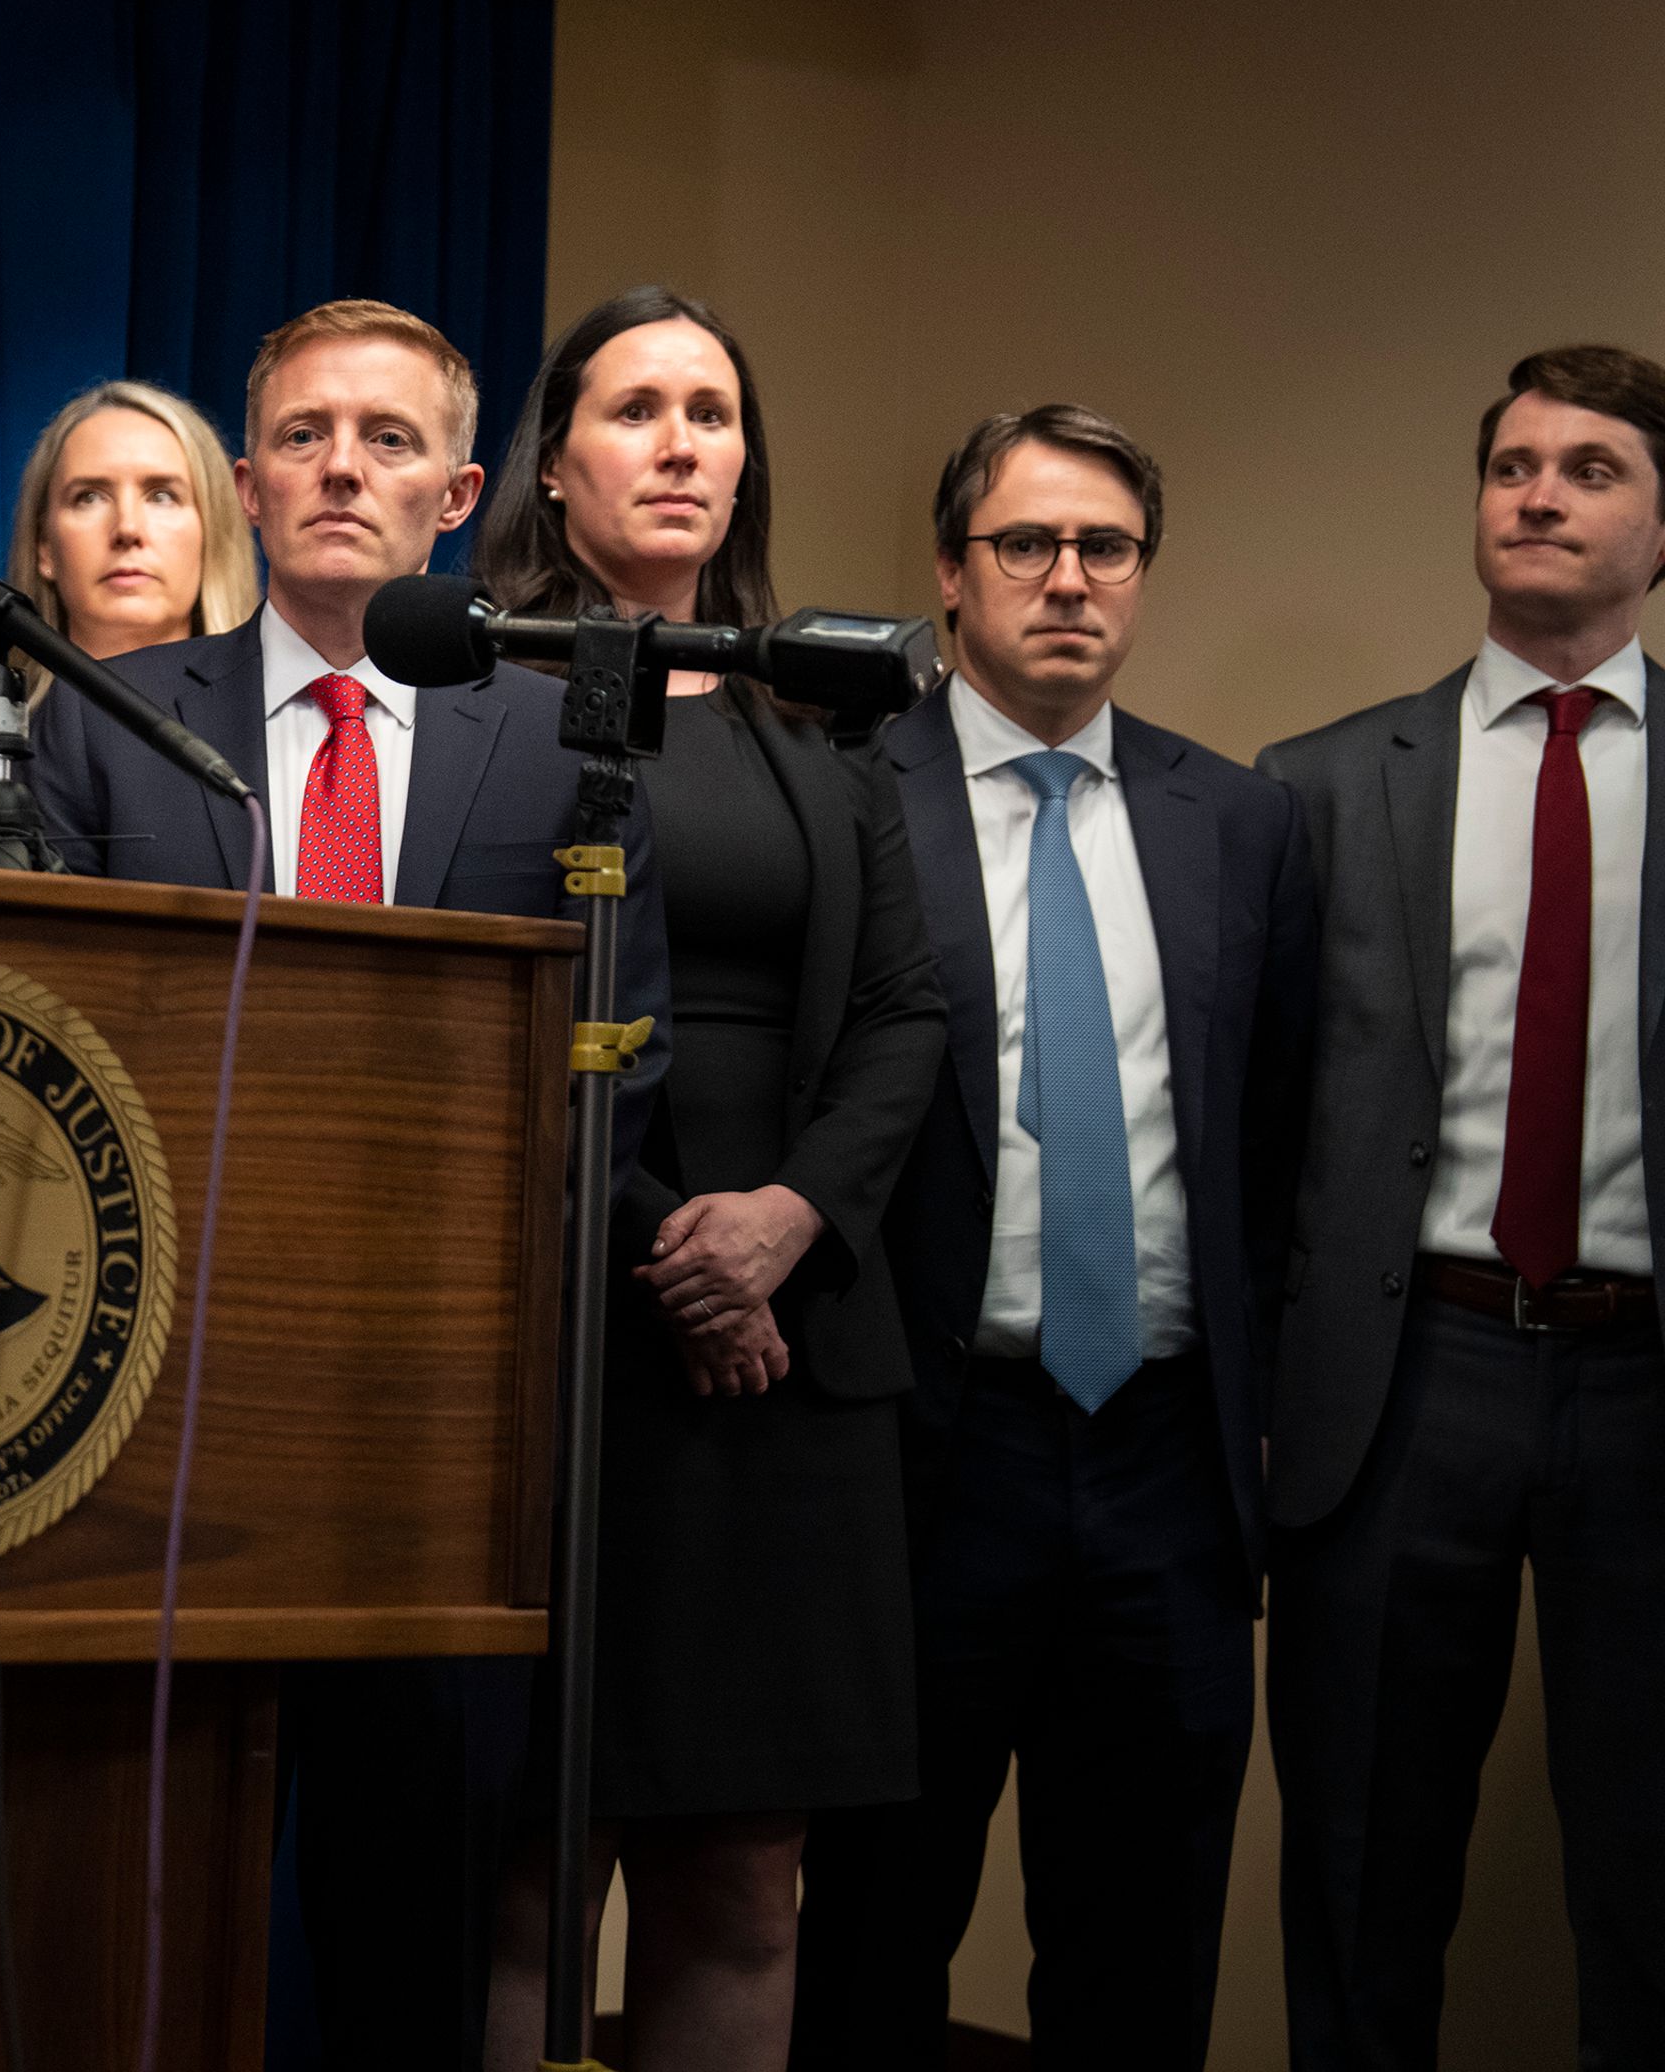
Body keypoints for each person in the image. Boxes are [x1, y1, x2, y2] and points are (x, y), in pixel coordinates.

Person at [23, 296, 673, 2072]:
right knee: (138, 1912)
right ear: (248, 479)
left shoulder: (561, 746)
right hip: (146, 1421)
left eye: (388, 442)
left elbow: (625, 1059)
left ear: (456, 495)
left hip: (435, 1433)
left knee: (415, 1930)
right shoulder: (103, 722)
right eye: (304, 435)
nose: (341, 468)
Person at [790, 405, 1317, 2068]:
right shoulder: (840, 797)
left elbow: (1280, 1149)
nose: (1070, 581)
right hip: (932, 1462)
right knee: (874, 1938)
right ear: (950, 576)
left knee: (1140, 1955)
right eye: (1028, 545)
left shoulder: (1240, 822)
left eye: (1108, 549)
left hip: (1168, 1468)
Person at [468, 286, 944, 2072]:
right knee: (539, 1859)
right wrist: (668, 1251)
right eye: (637, 408)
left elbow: (903, 1015)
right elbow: (477, 1007)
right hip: (562, 1329)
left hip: (791, 1349)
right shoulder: (483, 706)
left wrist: (782, 1225)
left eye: (715, 414)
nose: (682, 445)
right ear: (554, 458)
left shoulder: (823, 731)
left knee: (749, 1870)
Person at [1259, 344, 1665, 2069]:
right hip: (1404, 1377)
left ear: (1661, 526)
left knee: (1653, 1875)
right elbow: (1261, 1110)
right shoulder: (1328, 784)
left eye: (1590, 468)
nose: (1541, 494)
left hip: (1649, 1385)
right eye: (1513, 465)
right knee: (1363, 1864)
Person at [0, 378, 256, 817]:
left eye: (162, 495)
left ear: (211, 537)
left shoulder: (276, 756)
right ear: (45, 547)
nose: (127, 529)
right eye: (89, 497)